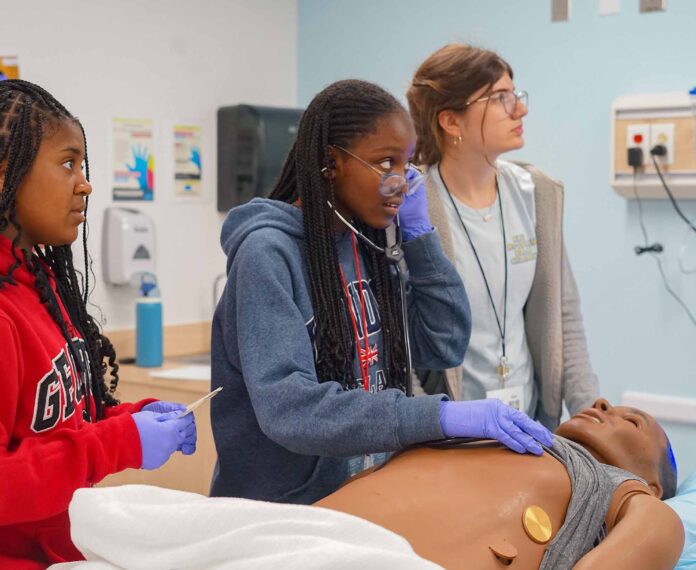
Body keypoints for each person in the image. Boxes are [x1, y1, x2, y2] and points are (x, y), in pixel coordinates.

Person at [210, 79, 554, 505]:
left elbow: (442, 344)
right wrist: (439, 416)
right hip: (285, 512)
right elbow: (290, 409)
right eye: (385, 163)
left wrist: (420, 235)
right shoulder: (267, 253)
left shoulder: (369, 243)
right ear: (330, 162)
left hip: (366, 495)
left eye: (406, 165)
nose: (401, 184)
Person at [0, 79, 197, 568]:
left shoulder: (40, 282)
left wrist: (131, 418)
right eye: (68, 163)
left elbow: (58, 426)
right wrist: (121, 442)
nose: (84, 183)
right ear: (6, 172)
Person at [406, 44, 599, 429]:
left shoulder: (537, 193)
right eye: (500, 98)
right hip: (449, 435)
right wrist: (430, 426)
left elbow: (564, 319)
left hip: (530, 425)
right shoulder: (412, 206)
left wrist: (593, 420)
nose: (520, 109)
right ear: (451, 121)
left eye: (516, 95)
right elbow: (399, 343)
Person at [317, 398, 684, 569]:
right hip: (308, 531)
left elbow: (657, 530)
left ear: (651, 486)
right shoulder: (482, 431)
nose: (602, 403)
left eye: (632, 421)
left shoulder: (614, 489)